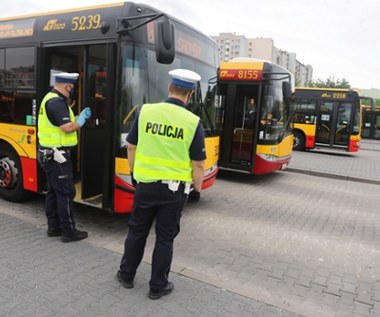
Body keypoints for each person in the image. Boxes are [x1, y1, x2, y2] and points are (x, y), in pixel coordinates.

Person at [116, 69, 206, 300]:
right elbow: (198, 164)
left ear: (169, 88)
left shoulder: (146, 111)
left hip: (145, 185)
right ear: (192, 93)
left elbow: (131, 146)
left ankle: (126, 275)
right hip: (174, 192)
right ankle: (157, 286)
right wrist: (197, 189)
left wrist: (134, 173)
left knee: (137, 231)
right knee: (165, 238)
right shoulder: (193, 122)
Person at [37, 72, 92, 243]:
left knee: (54, 191)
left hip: (50, 154)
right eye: (72, 87)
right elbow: (67, 127)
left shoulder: (49, 98)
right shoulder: (56, 102)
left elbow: (59, 125)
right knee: (66, 193)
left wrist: (75, 118)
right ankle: (68, 231)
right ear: (68, 86)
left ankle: (54, 228)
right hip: (57, 156)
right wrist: (81, 120)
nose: (73, 90)